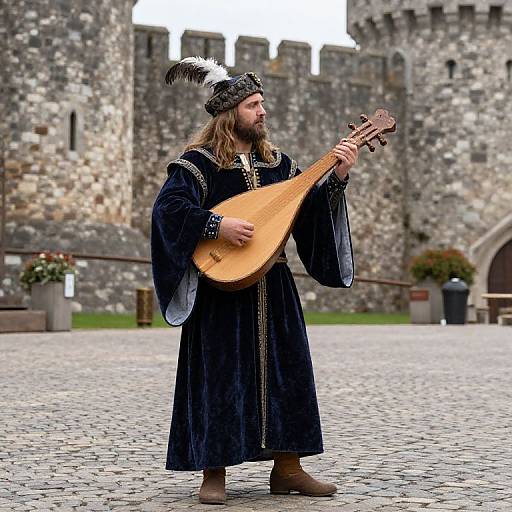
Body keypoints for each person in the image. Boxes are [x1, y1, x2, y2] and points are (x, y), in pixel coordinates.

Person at [151, 57, 359, 505]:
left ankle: (288, 468)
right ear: (230, 114)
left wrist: (337, 177)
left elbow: (304, 217)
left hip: (274, 284)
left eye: (262, 104)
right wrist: (215, 227)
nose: (262, 112)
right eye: (252, 105)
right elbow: (168, 212)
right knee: (220, 377)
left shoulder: (281, 165)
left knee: (289, 373)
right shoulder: (198, 165)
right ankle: (214, 472)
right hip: (220, 295)